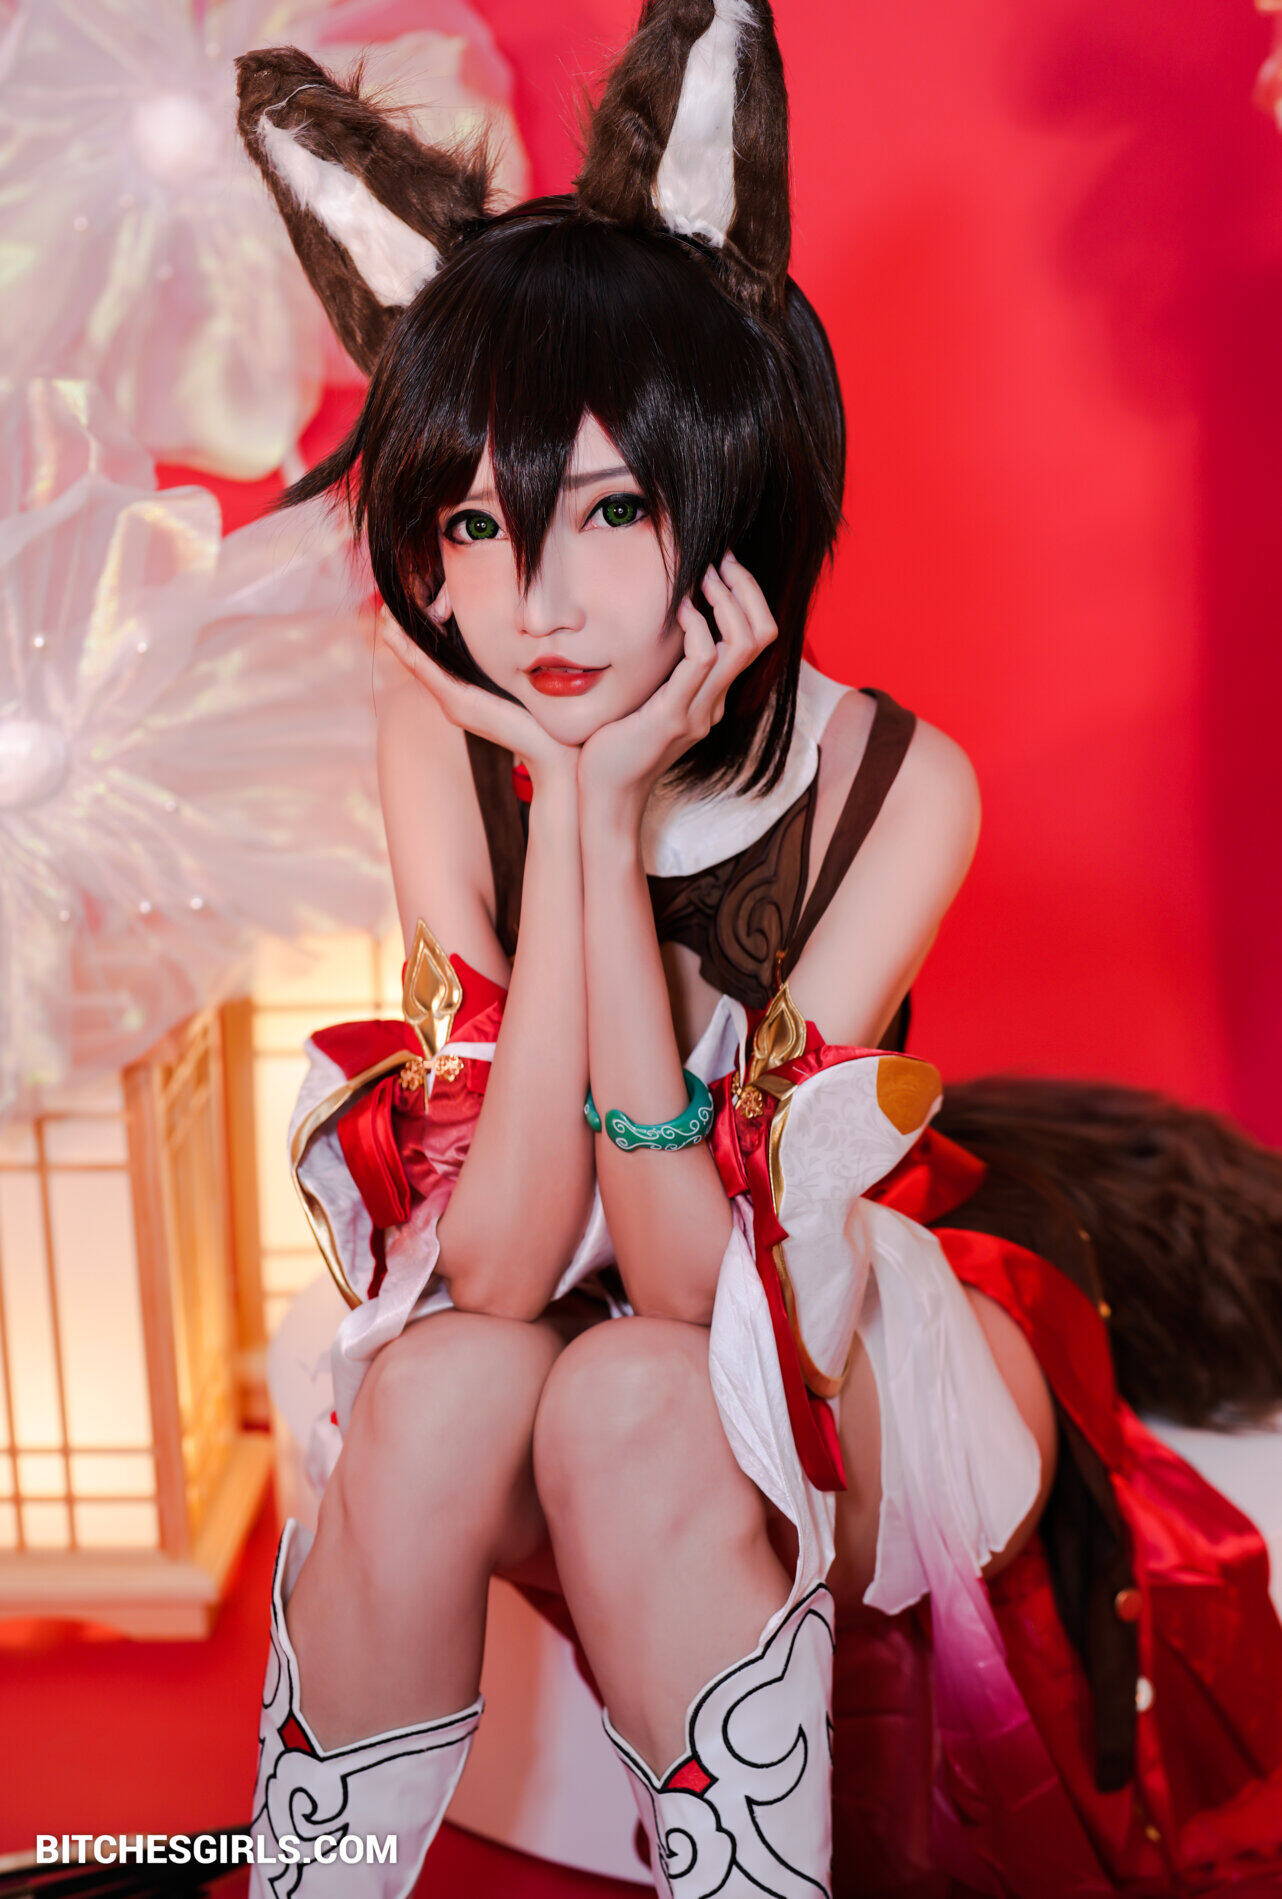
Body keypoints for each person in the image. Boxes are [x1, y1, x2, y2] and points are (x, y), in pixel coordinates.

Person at [235, 8, 1282, 1895]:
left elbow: (692, 1283)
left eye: (614, 509)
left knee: (635, 1390)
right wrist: (575, 810)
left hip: (841, 1358)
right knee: (433, 1387)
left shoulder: (896, 785)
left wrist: (603, 809)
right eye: (473, 520)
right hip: (576, 1323)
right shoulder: (441, 739)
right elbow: (495, 1263)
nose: (539, 600)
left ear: (728, 489)